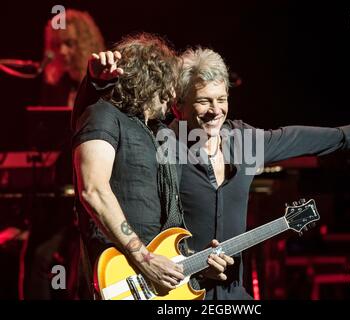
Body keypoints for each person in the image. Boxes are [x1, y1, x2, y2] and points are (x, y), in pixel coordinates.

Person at [78, 47, 350, 300]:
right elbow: (106, 131)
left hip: (232, 293)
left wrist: (349, 134)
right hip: (175, 292)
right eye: (203, 101)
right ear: (178, 105)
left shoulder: (243, 142)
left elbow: (292, 137)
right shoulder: (161, 144)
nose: (215, 110)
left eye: (221, 100)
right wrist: (95, 83)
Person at [72, 33, 231, 299]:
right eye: (170, 84)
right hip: (118, 271)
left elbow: (168, 224)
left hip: (154, 279)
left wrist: (196, 264)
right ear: (151, 79)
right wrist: (143, 258)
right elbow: (93, 190)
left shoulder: (160, 134)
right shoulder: (103, 115)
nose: (173, 95)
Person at [20, 9, 105, 300]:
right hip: (60, 188)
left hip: (92, 188)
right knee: (39, 256)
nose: (63, 52)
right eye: (57, 46)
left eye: (69, 44)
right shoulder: (52, 89)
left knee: (85, 263)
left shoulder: (100, 87)